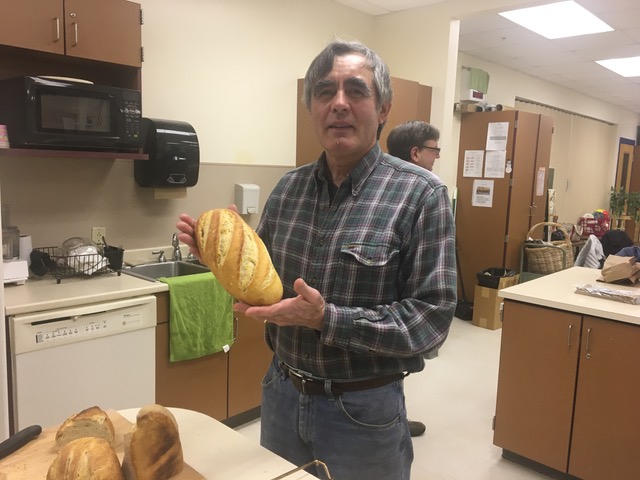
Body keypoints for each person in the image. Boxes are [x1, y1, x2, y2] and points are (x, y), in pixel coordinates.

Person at [177, 38, 457, 480]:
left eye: (356, 91)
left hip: (363, 410)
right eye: (325, 92)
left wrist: (327, 319)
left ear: (383, 108)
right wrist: (217, 257)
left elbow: (431, 322)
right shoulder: (288, 189)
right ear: (311, 108)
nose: (339, 104)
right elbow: (263, 282)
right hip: (281, 391)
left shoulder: (422, 195)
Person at [386, 120, 442, 439]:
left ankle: (395, 416)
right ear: (416, 152)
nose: (436, 157)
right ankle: (393, 420)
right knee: (392, 364)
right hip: (397, 301)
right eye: (434, 150)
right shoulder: (421, 192)